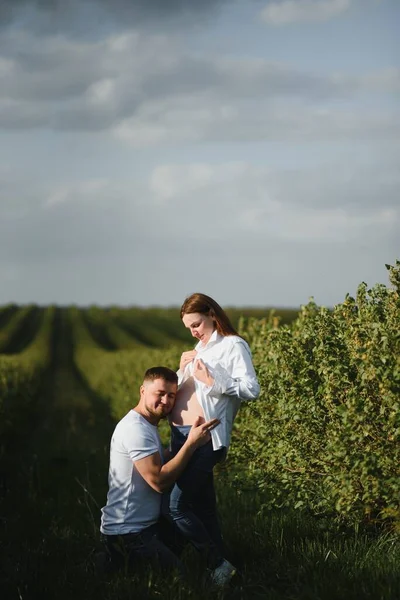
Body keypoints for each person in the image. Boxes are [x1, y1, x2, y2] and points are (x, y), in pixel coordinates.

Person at [167, 293, 260, 586]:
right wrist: (180, 371)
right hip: (180, 436)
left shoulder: (233, 345)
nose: (193, 331)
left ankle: (216, 564)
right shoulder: (199, 346)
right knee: (204, 508)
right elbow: (187, 391)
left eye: (196, 324)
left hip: (206, 439)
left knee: (177, 507)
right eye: (189, 328)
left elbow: (251, 389)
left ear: (211, 313)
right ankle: (223, 571)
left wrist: (214, 382)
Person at [100, 366, 219, 576]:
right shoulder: (135, 429)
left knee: (189, 521)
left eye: (171, 396)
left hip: (147, 527)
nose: (166, 401)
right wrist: (190, 444)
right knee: (180, 580)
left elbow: (159, 460)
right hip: (129, 533)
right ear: (143, 391)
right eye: (160, 394)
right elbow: (158, 481)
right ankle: (117, 558)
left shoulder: (147, 425)